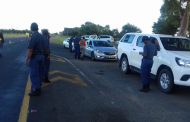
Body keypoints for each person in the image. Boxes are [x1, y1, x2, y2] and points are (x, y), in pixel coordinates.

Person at [26, 22, 46, 96]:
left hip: (35, 57)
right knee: (40, 73)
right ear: (37, 28)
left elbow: (31, 50)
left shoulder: (33, 36)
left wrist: (27, 59)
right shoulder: (41, 36)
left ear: (31, 28)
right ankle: (39, 88)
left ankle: (36, 90)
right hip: (42, 56)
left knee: (34, 74)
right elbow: (45, 47)